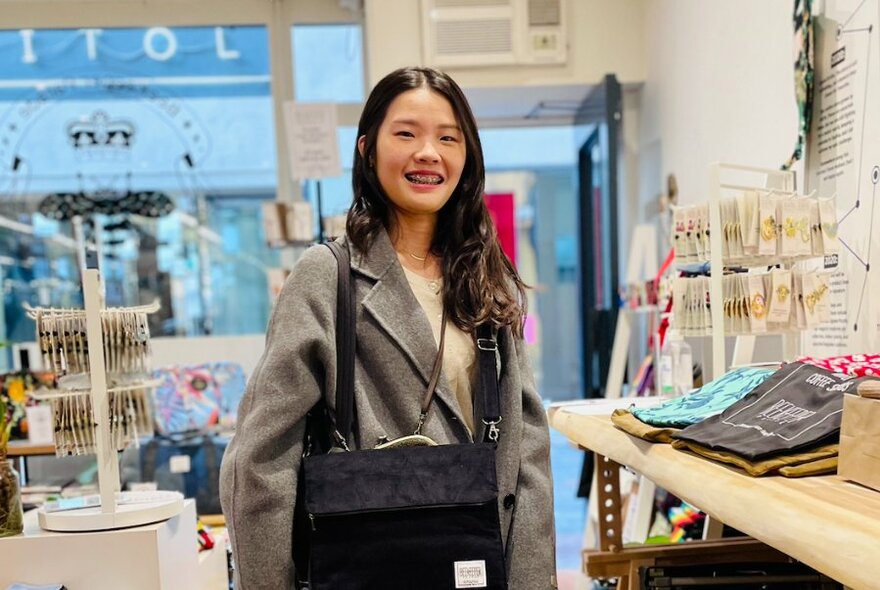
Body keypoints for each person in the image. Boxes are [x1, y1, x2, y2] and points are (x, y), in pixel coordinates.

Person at [219, 66, 557, 589]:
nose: (429, 153)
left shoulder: (486, 278)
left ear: (467, 158)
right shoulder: (328, 275)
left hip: (476, 559)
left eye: (448, 137)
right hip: (369, 558)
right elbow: (262, 453)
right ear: (367, 150)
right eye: (406, 134)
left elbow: (526, 447)